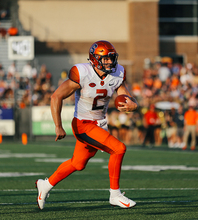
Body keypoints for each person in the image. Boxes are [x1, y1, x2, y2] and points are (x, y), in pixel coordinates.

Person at [35, 40, 138, 209]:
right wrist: (58, 125)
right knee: (119, 148)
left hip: (99, 124)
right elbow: (56, 96)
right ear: (94, 59)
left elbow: (125, 96)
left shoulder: (118, 73)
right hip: (83, 123)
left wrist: (133, 104)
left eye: (111, 58)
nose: (110, 62)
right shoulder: (82, 72)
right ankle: (115, 194)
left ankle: (45, 185)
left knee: (78, 163)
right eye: (105, 59)